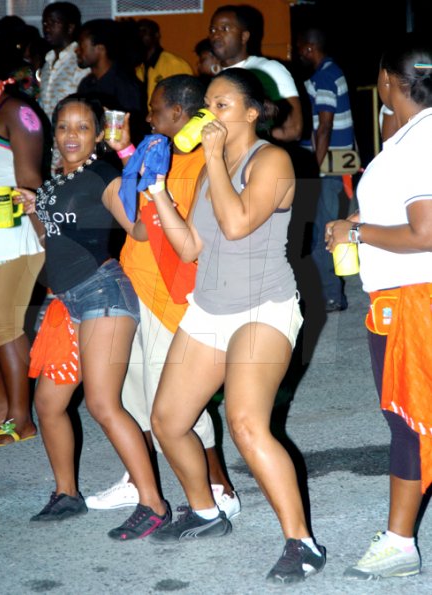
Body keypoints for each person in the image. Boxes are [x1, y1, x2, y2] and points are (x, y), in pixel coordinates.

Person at [144, 68, 326, 584]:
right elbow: (192, 248)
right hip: (210, 307)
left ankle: (302, 542)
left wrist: (211, 159)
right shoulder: (210, 168)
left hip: (263, 309)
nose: (209, 114)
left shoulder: (274, 160)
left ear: (251, 113)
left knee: (247, 424)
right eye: (208, 105)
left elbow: (239, 222)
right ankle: (205, 512)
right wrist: (157, 190)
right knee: (168, 421)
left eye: (221, 105)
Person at [85, 74, 241, 519]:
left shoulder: (205, 163)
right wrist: (125, 153)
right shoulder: (162, 152)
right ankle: (140, 480)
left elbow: (189, 233)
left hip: (172, 295)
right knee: (133, 392)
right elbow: (139, 213)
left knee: (176, 400)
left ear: (178, 113)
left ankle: (219, 485)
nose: (150, 117)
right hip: (134, 280)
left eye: (155, 110)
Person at [17, 94, 171, 540]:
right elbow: (54, 241)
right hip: (64, 302)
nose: (71, 136)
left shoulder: (103, 175)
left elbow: (138, 228)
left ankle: (153, 503)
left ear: (99, 134)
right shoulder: (49, 185)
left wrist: (143, 186)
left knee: (104, 404)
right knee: (48, 405)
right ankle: (67, 494)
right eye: (64, 126)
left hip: (102, 292)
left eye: (83, 128)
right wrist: (34, 211)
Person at [325, 34, 432, 580]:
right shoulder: (411, 136)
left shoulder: (421, 142)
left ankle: (400, 543)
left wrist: (357, 228)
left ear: (389, 82)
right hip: (404, 295)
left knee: (408, 421)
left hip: (414, 300)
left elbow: (425, 233)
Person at [0, 32, 45, 445]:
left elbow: (30, 182)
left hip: (15, 235)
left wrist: (50, 238)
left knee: (5, 325)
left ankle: (21, 419)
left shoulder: (18, 111)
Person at [296, 27, 355, 313]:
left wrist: (314, 169)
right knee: (326, 229)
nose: (298, 55)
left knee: (323, 232)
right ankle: (331, 292)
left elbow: (325, 126)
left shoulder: (324, 76)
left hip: (327, 168)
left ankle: (331, 295)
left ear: (309, 48)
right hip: (333, 165)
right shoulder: (332, 71)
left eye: (300, 49)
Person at [209, 4, 303, 142]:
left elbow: (294, 129)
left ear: (244, 36)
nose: (215, 35)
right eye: (212, 29)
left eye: (225, 28)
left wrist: (249, 141)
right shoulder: (216, 79)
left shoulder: (269, 69)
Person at [76, 19, 147, 145]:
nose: (77, 50)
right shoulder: (86, 84)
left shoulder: (125, 84)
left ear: (100, 48)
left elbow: (133, 130)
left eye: (81, 45)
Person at [39, 2, 89, 122]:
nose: (47, 28)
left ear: (70, 28)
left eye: (54, 23)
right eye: (45, 23)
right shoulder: (48, 60)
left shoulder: (80, 60)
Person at [134, 18, 193, 107]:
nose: (140, 35)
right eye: (138, 32)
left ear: (156, 35)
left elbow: (188, 99)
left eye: (144, 31)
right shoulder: (139, 68)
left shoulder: (175, 64)